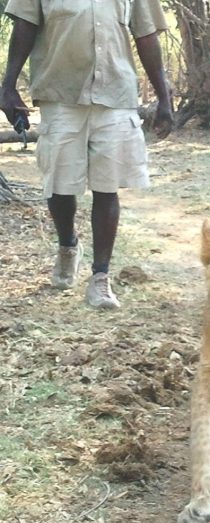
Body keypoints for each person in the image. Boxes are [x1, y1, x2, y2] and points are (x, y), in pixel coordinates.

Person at [1, 0, 173, 310]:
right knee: (60, 184)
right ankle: (68, 245)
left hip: (116, 94)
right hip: (60, 93)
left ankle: (100, 278)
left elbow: (146, 35)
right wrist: (8, 85)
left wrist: (164, 97)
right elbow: (25, 25)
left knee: (108, 186)